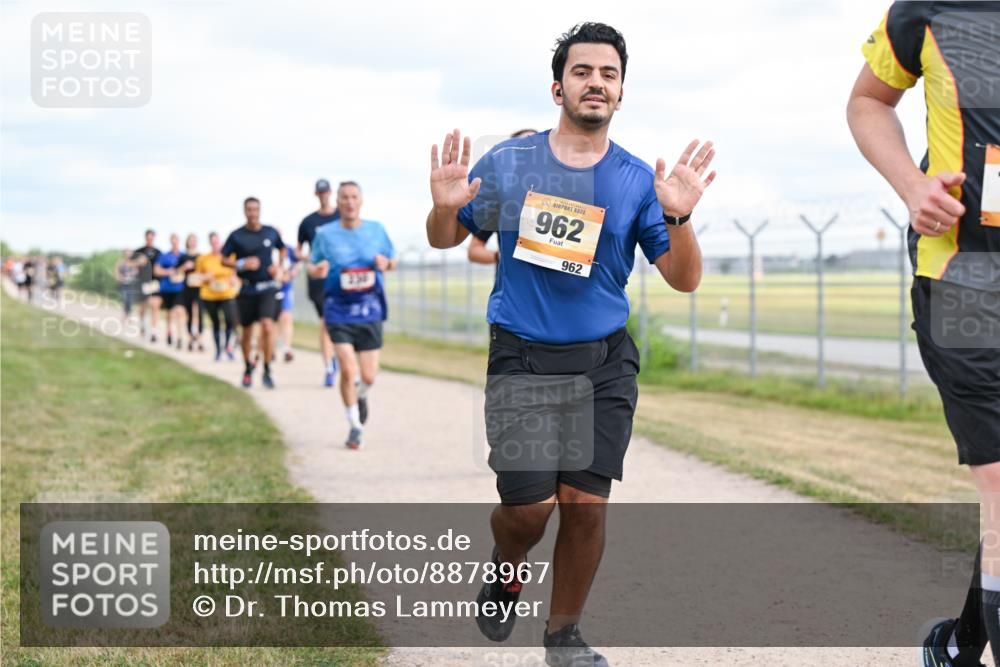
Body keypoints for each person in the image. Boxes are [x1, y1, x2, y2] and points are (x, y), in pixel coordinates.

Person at [426, 22, 715, 666]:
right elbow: (446, 237)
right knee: (528, 513)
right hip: (523, 362)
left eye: (608, 74)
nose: (596, 83)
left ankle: (565, 637)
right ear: (559, 87)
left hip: (604, 365)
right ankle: (506, 568)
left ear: (620, 92)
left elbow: (684, 279)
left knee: (584, 506)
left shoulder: (639, 179)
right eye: (583, 72)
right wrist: (446, 207)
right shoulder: (509, 163)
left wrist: (678, 216)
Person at [847, 4, 1000, 667]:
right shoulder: (932, 9)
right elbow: (867, 101)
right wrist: (912, 186)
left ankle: (961, 643)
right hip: (964, 280)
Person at [307, 181, 398, 450]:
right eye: (344, 197)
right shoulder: (325, 234)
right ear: (337, 202)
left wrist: (386, 264)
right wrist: (318, 269)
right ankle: (355, 425)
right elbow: (311, 266)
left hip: (370, 308)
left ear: (361, 201)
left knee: (368, 376)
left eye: (354, 197)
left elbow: (392, 260)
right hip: (338, 308)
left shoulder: (376, 230)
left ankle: (361, 395)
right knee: (347, 368)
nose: (349, 202)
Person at [222, 197, 286, 389]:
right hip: (247, 288)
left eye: (255, 209)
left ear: (260, 210)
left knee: (267, 326)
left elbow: (282, 248)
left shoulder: (270, 232)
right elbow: (224, 259)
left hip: (267, 287)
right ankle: (248, 367)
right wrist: (242, 263)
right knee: (247, 333)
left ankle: (267, 368)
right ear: (244, 211)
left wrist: (279, 266)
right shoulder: (236, 236)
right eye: (249, 210)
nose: (252, 213)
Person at [467, 129, 538, 270]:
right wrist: (502, 257)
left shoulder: (562, 194)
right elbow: (474, 251)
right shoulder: (500, 201)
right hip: (511, 287)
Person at [298, 179, 341, 386]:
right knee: (325, 322)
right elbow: (298, 251)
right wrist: (312, 261)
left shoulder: (341, 215)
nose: (324, 195)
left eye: (326, 192)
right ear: (316, 194)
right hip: (318, 279)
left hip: (340, 277)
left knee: (339, 322)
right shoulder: (308, 223)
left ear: (330, 193)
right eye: (320, 192)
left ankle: (340, 355)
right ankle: (329, 366)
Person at [196, 232, 239, 361]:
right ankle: (218, 351)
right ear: (210, 243)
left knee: (229, 320)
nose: (216, 245)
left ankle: (227, 347)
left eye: (217, 242)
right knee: (216, 323)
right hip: (210, 295)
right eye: (213, 242)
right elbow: (196, 277)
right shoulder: (203, 259)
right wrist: (205, 277)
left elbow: (236, 270)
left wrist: (233, 277)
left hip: (227, 293)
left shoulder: (230, 256)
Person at [154, 233, 187, 349]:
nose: (175, 242)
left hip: (180, 289)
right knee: (169, 313)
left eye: (176, 240)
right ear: (170, 242)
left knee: (179, 311)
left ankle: (179, 337)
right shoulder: (164, 256)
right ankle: (169, 331)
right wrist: (169, 272)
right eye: (172, 240)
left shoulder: (183, 255)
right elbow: (157, 271)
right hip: (167, 288)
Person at [132, 229, 162, 341]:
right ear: (145, 238)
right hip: (142, 282)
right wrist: (138, 262)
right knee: (143, 307)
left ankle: (154, 332)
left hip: (154, 282)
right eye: (148, 237)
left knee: (155, 306)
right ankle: (142, 326)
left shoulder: (158, 252)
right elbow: (130, 265)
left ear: (154, 238)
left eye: (152, 237)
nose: (150, 239)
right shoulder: (139, 251)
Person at [178, 233, 205, 352]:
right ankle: (190, 338)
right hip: (187, 288)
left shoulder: (201, 257)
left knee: (199, 313)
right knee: (189, 313)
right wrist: (184, 267)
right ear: (187, 242)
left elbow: (206, 271)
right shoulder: (183, 257)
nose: (192, 242)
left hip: (199, 288)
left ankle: (199, 339)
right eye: (190, 240)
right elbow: (176, 272)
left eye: (194, 240)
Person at [276, 241, 301, 363]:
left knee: (286, 316)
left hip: (286, 288)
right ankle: (271, 347)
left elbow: (298, 265)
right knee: (272, 319)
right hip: (271, 287)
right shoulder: (266, 249)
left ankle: (287, 349)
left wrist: (291, 274)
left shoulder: (289, 249)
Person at [114, 249, 139, 325]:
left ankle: (129, 317)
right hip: (123, 285)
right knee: (125, 300)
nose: (128, 255)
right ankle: (125, 316)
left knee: (130, 301)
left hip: (132, 285)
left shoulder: (133, 263)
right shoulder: (120, 262)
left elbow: (137, 272)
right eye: (126, 253)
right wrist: (120, 278)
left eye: (129, 253)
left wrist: (133, 274)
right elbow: (116, 271)